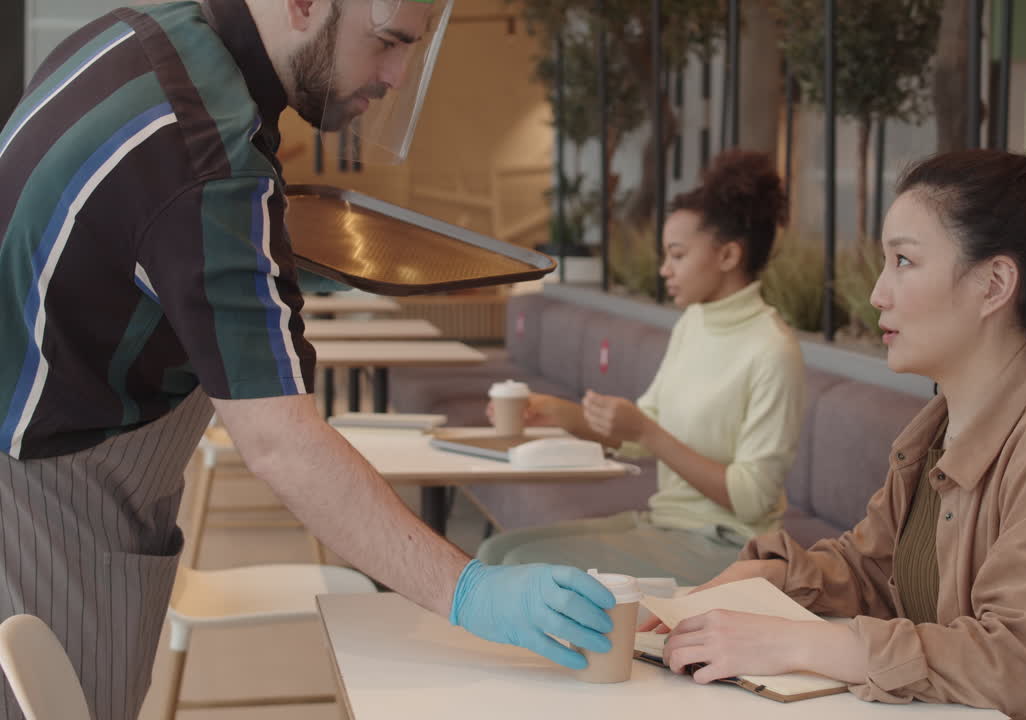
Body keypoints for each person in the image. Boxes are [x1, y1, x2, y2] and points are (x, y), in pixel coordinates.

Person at [0, 2, 614, 719]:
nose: (394, 75)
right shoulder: (208, 152)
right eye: (385, 44)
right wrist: (467, 590)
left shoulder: (149, 34)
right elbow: (281, 444)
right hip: (51, 494)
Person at [643, 150, 1026, 719]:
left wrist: (794, 643)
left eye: (903, 260)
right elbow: (875, 568)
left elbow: (1013, 660)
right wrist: (770, 574)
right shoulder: (936, 430)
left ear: (994, 283)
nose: (878, 293)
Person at [476, 150, 806, 587]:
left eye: (677, 255)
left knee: (517, 569)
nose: (664, 269)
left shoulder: (772, 351)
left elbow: (750, 499)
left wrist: (648, 433)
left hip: (729, 545)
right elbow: (639, 432)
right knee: (495, 553)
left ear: (728, 255)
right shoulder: (695, 323)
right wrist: (554, 412)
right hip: (665, 523)